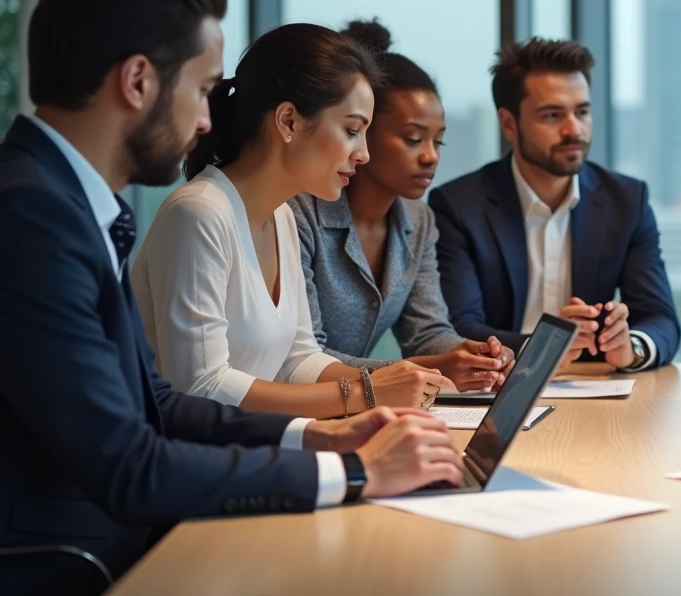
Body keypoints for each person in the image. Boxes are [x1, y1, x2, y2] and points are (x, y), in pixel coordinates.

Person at [0, 0, 462, 590]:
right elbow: (130, 466)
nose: (208, 115)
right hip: (85, 556)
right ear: (137, 82)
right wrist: (354, 471)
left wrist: (327, 438)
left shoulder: (63, 200)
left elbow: (157, 403)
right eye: (203, 88)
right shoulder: (31, 216)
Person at [131, 21, 453, 419]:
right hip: (192, 466)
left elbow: (298, 360)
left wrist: (400, 379)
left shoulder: (281, 215)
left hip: (253, 449)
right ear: (288, 121)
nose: (363, 154)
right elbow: (201, 387)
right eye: (352, 130)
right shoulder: (198, 214)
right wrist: (369, 392)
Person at [429, 38, 680, 370]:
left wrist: (630, 345)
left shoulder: (627, 200)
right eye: (552, 115)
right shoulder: (458, 205)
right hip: (499, 385)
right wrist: (544, 347)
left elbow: (660, 318)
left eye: (582, 112)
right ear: (508, 124)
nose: (573, 129)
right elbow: (458, 326)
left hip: (596, 386)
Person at [290, 19, 514, 391]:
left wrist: (472, 356)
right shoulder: (301, 212)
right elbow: (306, 356)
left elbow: (427, 331)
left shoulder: (418, 219)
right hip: (306, 407)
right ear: (362, 130)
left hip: (359, 405)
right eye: (413, 139)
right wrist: (427, 369)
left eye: (438, 142)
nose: (430, 157)